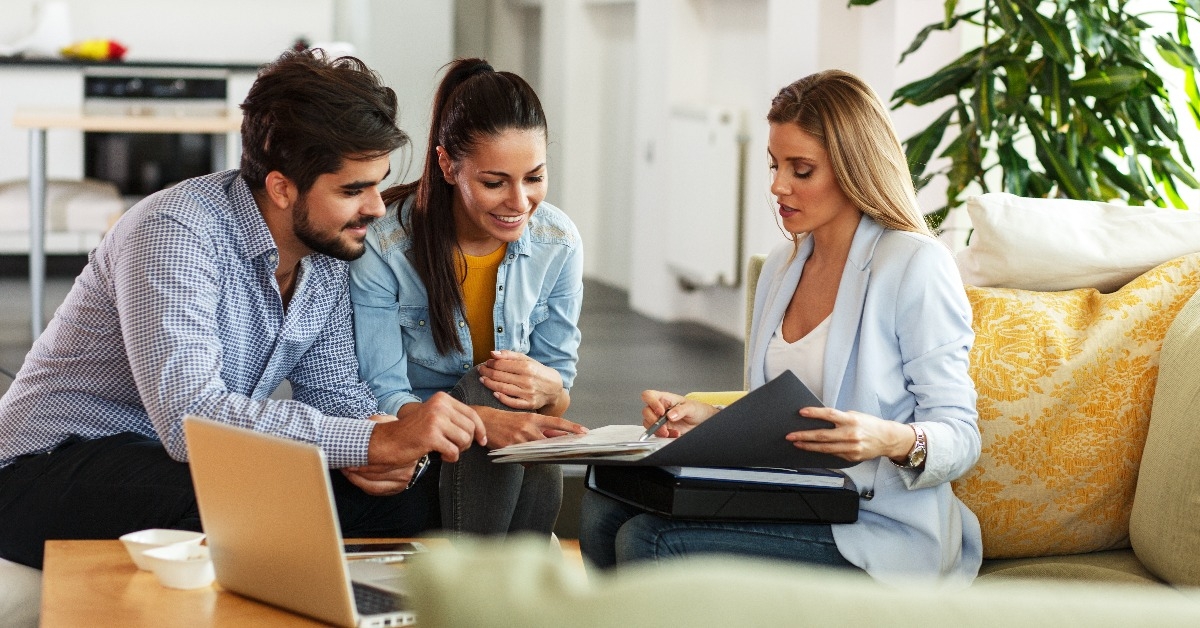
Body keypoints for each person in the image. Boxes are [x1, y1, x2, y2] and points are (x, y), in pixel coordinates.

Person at [0, 49, 487, 570]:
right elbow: (192, 418)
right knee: (237, 494)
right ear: (281, 187)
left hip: (181, 463)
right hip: (47, 466)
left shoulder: (322, 257)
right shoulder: (174, 232)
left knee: (423, 495)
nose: (374, 206)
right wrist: (369, 440)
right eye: (353, 189)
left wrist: (392, 452)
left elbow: (336, 395)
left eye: (376, 182)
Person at [579, 69, 983, 586]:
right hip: (793, 502)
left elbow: (962, 436)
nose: (777, 186)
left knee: (650, 539)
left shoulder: (914, 266)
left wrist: (887, 439)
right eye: (775, 165)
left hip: (876, 527)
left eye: (801, 169)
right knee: (601, 509)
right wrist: (713, 419)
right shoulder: (781, 266)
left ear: (852, 169)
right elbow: (781, 419)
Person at [350, 58, 586, 537]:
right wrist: (484, 419)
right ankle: (506, 584)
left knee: (516, 397)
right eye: (494, 183)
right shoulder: (385, 244)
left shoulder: (558, 241)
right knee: (489, 388)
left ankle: (500, 588)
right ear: (447, 165)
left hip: (505, 456)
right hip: (420, 449)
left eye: (535, 177)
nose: (520, 202)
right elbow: (383, 393)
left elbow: (557, 391)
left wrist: (550, 391)